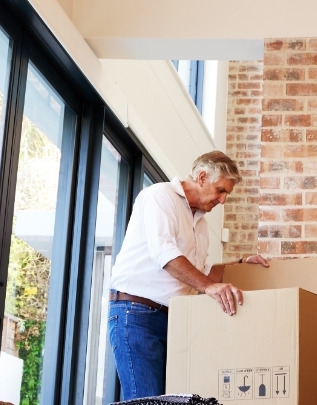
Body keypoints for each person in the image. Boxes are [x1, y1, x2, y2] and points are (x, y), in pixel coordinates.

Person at [106, 151, 269, 400]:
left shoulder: (201, 224)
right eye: (221, 190)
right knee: (148, 401)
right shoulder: (160, 197)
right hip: (137, 315)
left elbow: (199, 275)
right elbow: (165, 255)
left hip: (175, 320)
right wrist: (209, 287)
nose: (223, 200)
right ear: (202, 177)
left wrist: (240, 264)